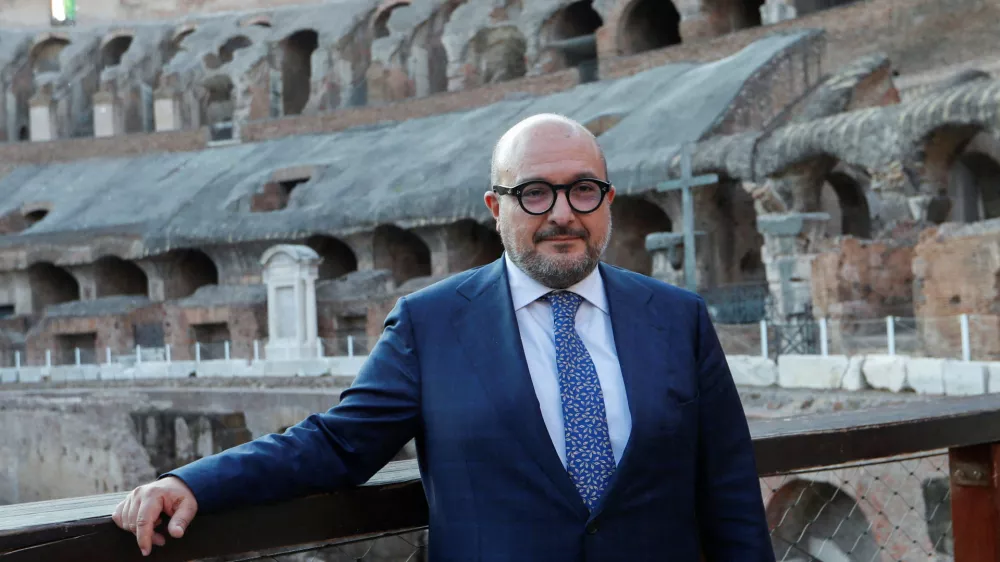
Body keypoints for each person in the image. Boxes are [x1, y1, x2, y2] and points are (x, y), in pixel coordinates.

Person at [113, 113, 774, 561]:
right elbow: (338, 444)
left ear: (608, 202)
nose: (562, 213)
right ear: (497, 208)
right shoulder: (432, 324)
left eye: (582, 190)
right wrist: (196, 482)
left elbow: (730, 490)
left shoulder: (677, 316)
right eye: (536, 193)